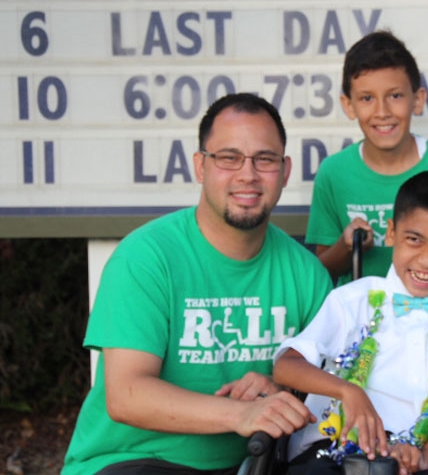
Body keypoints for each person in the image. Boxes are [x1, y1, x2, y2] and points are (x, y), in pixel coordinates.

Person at [62, 93, 333, 475]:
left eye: (265, 159)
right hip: (136, 460)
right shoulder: (146, 257)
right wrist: (241, 413)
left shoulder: (306, 274)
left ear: (285, 171)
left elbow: (330, 391)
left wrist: (281, 390)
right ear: (200, 166)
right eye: (229, 157)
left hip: (254, 463)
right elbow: (127, 396)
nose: (248, 174)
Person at [274, 171, 428, 475]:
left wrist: (425, 455)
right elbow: (286, 366)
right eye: (414, 240)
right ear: (391, 233)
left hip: (423, 453)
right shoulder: (353, 298)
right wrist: (349, 392)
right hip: (335, 446)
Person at [305, 30, 428, 284]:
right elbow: (321, 271)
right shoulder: (333, 172)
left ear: (418, 99)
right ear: (348, 105)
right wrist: (347, 246)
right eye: (367, 98)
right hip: (364, 319)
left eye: (395, 96)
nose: (382, 112)